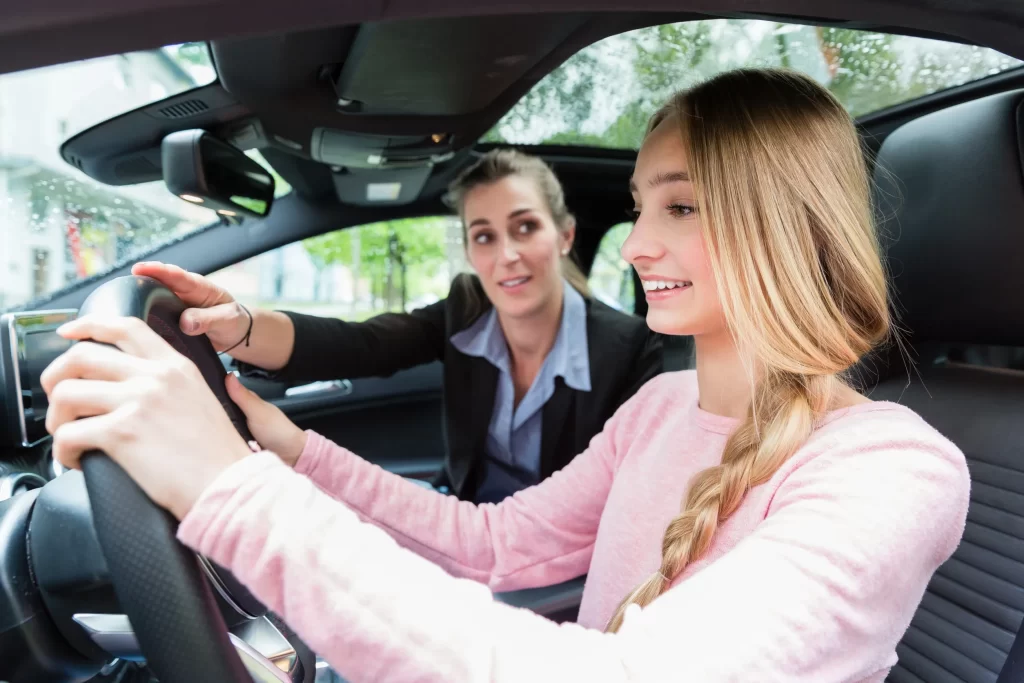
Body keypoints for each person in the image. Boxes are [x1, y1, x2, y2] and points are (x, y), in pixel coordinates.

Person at [43, 68, 970, 681]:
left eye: (681, 206)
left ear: (785, 223)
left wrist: (232, 491)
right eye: (643, 207)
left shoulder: (894, 469)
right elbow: (489, 545)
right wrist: (284, 448)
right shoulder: (659, 407)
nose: (640, 246)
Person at [131, 148, 663, 503]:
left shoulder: (626, 349)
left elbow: (614, 505)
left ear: (564, 235)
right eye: (483, 236)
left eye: (525, 227)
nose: (507, 256)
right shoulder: (466, 306)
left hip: (556, 555)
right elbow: (363, 345)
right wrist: (241, 325)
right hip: (466, 513)